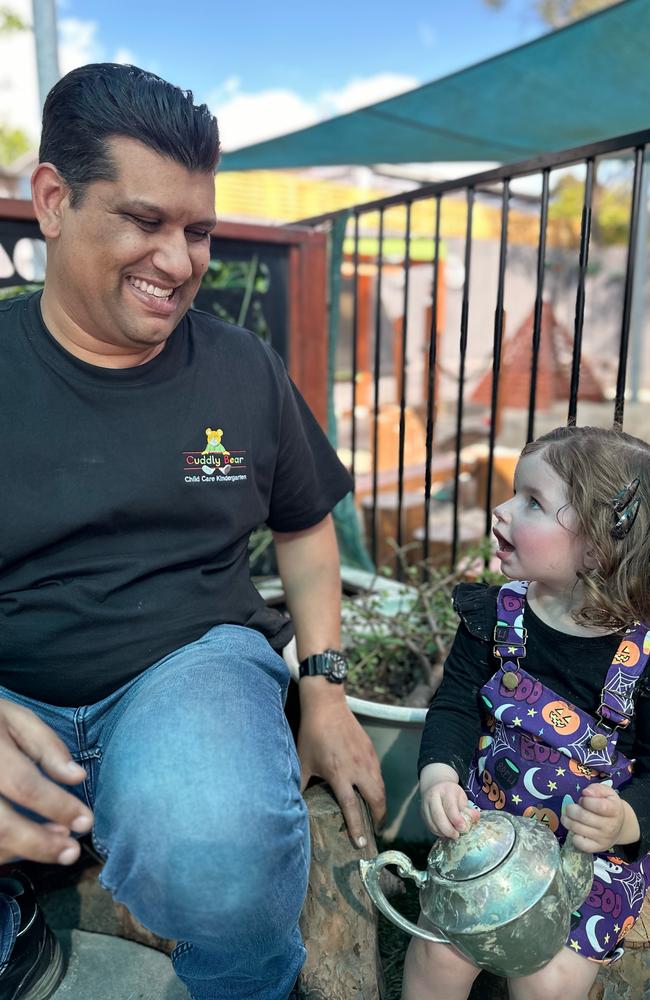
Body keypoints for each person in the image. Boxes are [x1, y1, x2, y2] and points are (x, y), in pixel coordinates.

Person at [0, 62, 385, 1000]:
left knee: (214, 841)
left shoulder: (241, 367)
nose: (179, 261)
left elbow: (304, 525)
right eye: (144, 221)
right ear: (53, 200)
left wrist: (326, 692)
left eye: (198, 230)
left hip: (188, 667)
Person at [403, 425, 650, 1000]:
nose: (501, 510)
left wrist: (626, 822)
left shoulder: (643, 660)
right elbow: (455, 705)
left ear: (597, 546)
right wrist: (439, 772)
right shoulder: (495, 616)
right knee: (437, 953)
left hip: (588, 858)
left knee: (547, 982)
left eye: (531, 502)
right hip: (492, 831)